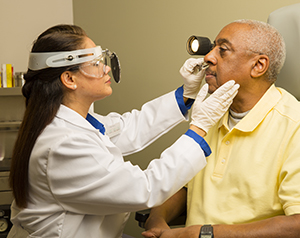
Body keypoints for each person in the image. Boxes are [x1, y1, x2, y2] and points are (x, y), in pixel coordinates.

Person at [8, 24, 239, 238]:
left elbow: (129, 128)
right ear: (69, 78)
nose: (106, 68)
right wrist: (199, 127)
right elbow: (145, 188)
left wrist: (186, 94)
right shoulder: (62, 144)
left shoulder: (73, 121)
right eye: (96, 63)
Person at [142, 19, 300, 238]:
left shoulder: (294, 126)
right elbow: (182, 185)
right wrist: (157, 219)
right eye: (212, 47)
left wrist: (203, 234)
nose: (208, 57)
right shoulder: (211, 114)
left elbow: (297, 224)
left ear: (258, 66)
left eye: (222, 50)